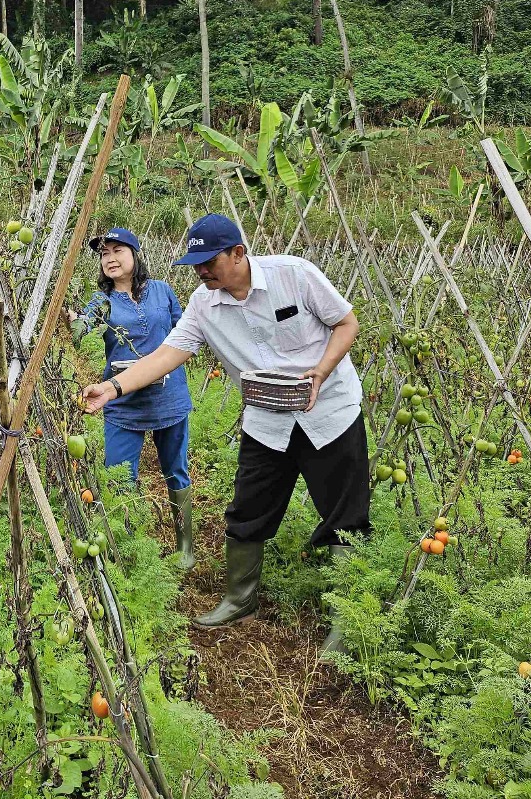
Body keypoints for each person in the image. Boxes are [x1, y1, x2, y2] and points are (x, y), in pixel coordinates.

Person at [81, 214, 368, 652]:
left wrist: (321, 371)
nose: (201, 271)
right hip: (267, 421)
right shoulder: (203, 303)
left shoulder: (295, 275)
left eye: (209, 261)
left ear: (238, 253)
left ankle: (348, 623)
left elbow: (347, 323)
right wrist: (113, 387)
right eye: (194, 263)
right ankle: (240, 599)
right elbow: (168, 354)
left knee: (343, 517)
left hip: (329, 412)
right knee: (248, 509)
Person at [71, 228, 196, 570]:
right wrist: (75, 323)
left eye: (117, 251)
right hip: (123, 401)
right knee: (119, 475)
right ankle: (127, 544)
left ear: (135, 254)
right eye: (103, 253)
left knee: (176, 471)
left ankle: (185, 547)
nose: (109, 258)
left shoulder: (162, 291)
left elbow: (184, 334)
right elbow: (81, 330)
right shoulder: (102, 301)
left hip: (169, 396)